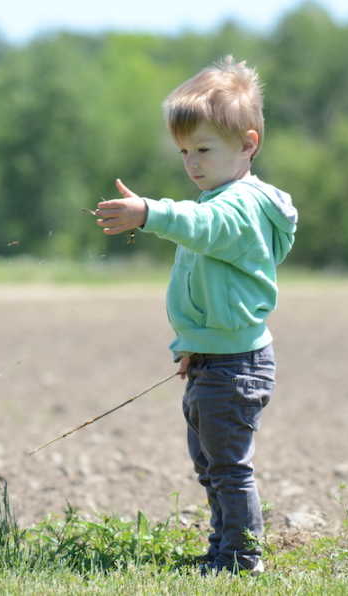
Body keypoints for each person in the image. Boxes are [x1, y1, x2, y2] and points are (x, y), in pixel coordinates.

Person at [92, 55, 297, 575]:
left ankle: (240, 558)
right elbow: (206, 285)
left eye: (203, 149)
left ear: (248, 144)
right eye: (185, 152)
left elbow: (199, 227)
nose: (192, 163)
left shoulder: (239, 207)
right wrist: (191, 345)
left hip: (235, 366)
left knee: (228, 468)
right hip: (214, 358)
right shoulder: (220, 199)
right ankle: (223, 546)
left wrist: (148, 212)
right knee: (211, 466)